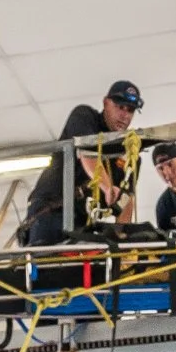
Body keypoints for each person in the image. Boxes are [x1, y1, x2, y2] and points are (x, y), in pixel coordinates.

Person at [21, 77, 143, 245]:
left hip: (81, 223)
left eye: (130, 110)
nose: (124, 115)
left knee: (86, 266)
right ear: (106, 103)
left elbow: (127, 202)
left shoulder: (128, 156)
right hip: (50, 212)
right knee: (47, 265)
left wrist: (121, 241)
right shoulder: (85, 117)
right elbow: (88, 155)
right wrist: (107, 188)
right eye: (119, 107)